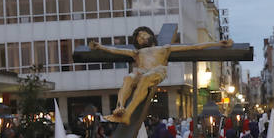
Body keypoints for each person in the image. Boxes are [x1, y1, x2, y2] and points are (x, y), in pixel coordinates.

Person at [90, 26, 232, 124]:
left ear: (151, 36)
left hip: (157, 70)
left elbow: (194, 46)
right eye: (139, 37)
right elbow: (114, 50)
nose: (141, 37)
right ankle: (120, 107)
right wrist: (99, 46)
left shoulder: (164, 48)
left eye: (143, 34)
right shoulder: (137, 53)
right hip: (142, 71)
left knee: (145, 78)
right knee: (129, 77)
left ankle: (127, 114)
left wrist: (218, 43)